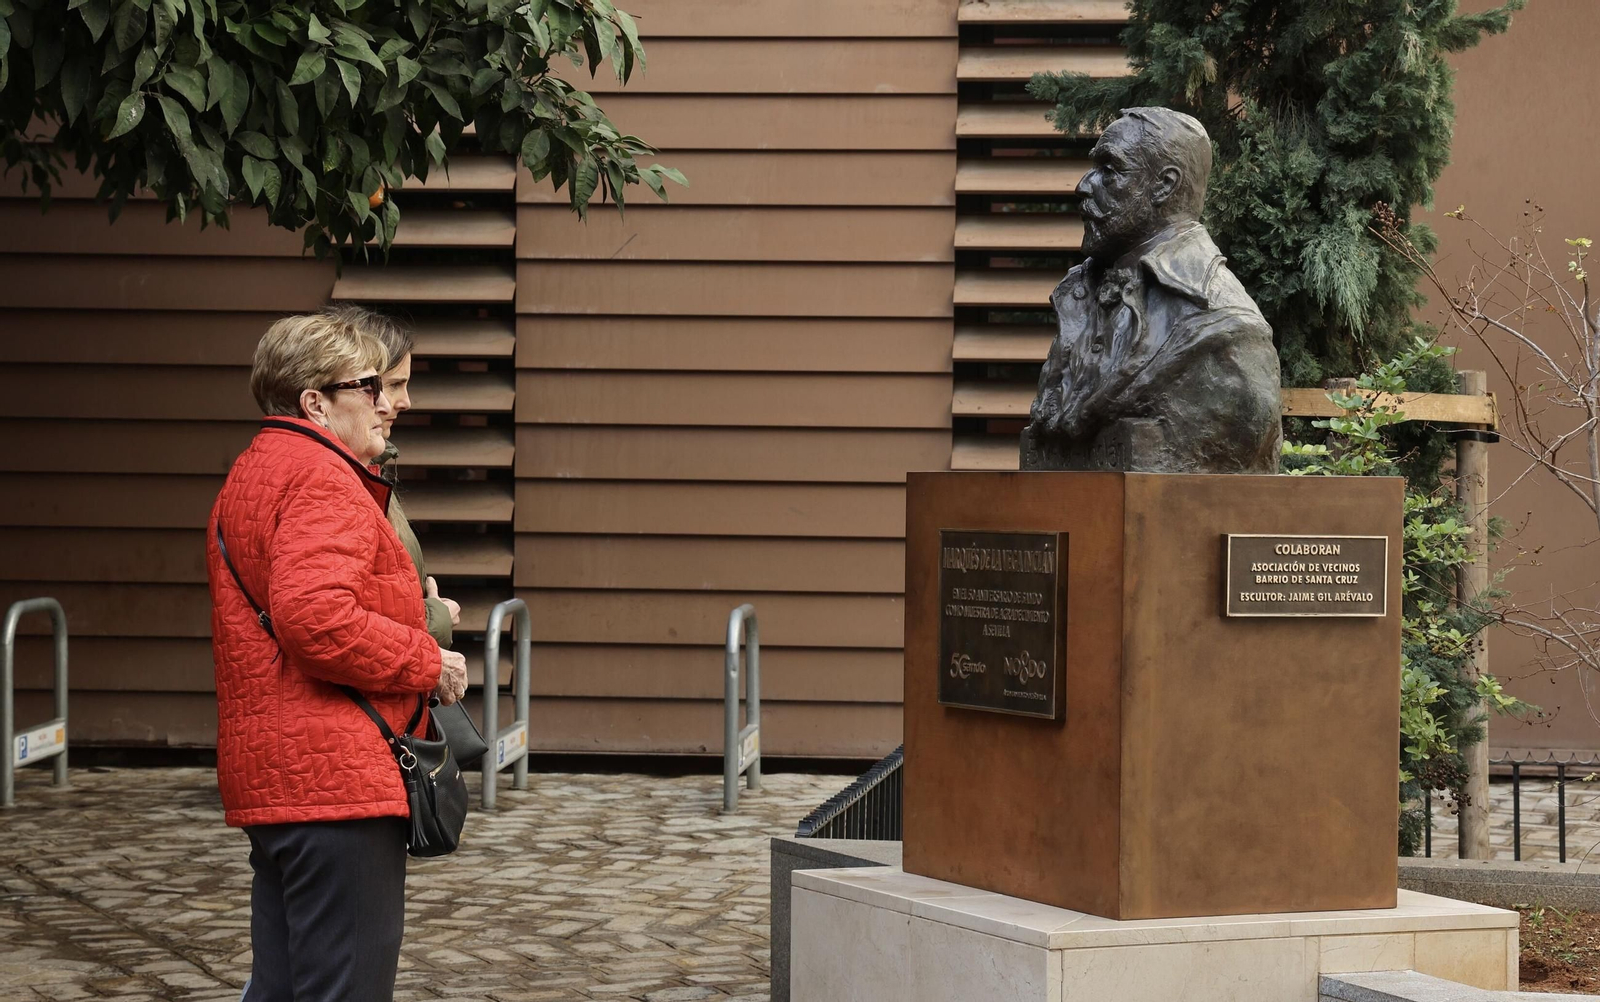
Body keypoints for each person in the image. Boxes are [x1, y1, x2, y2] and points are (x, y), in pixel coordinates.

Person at [206, 311, 470, 1002]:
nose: (386, 402)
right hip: (337, 783)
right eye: (369, 386)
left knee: (283, 986)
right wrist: (427, 659)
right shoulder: (324, 478)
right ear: (314, 401)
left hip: (283, 779)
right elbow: (315, 619)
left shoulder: (258, 468)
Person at [1021, 106, 1282, 474]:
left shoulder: (1224, 325)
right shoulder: (1079, 295)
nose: (1083, 185)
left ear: (1164, 185)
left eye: (1110, 171)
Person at [319, 305, 463, 648]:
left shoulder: (366, 468)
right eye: (395, 384)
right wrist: (434, 620)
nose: (405, 402)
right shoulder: (332, 481)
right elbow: (336, 625)